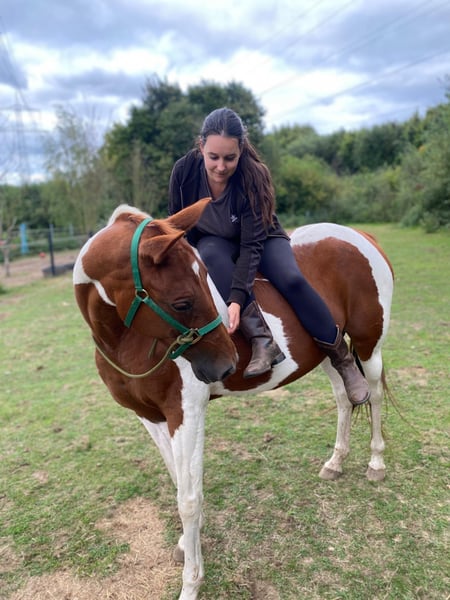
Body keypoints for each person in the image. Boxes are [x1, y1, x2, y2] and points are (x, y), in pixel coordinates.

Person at [168, 107, 370, 405]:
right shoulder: (183, 171)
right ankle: (263, 341)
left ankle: (343, 360)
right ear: (201, 147)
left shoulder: (254, 175)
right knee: (211, 251)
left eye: (229, 158)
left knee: (291, 279)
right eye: (213, 157)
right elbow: (178, 225)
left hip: (261, 237)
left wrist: (236, 298)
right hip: (213, 241)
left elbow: (251, 247)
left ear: (241, 150)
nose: (221, 166)